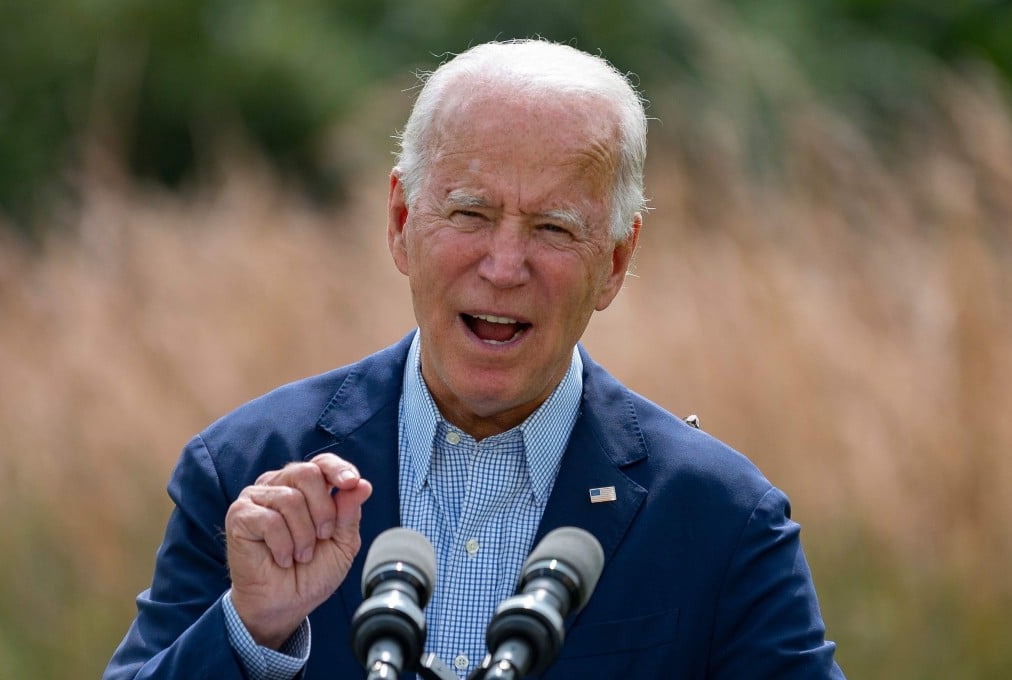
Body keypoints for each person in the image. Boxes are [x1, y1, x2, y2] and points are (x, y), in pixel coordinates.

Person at [105, 39, 844, 679]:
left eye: (554, 227)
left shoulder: (719, 519)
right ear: (401, 222)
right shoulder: (247, 474)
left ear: (616, 262)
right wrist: (250, 630)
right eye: (470, 213)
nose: (504, 265)